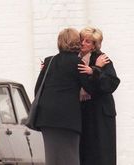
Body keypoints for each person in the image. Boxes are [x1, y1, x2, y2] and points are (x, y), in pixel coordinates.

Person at [34, 28, 92, 165]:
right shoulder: (78, 63)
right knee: (70, 157)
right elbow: (90, 88)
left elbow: (37, 89)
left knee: (52, 158)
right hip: (68, 119)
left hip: (47, 118)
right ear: (76, 43)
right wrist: (94, 70)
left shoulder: (49, 62)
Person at [77, 27, 120, 165]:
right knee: (85, 152)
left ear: (95, 45)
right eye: (81, 40)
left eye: (87, 41)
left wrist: (95, 70)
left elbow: (111, 84)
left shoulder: (102, 59)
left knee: (101, 152)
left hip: (101, 112)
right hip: (83, 110)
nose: (83, 43)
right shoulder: (75, 59)